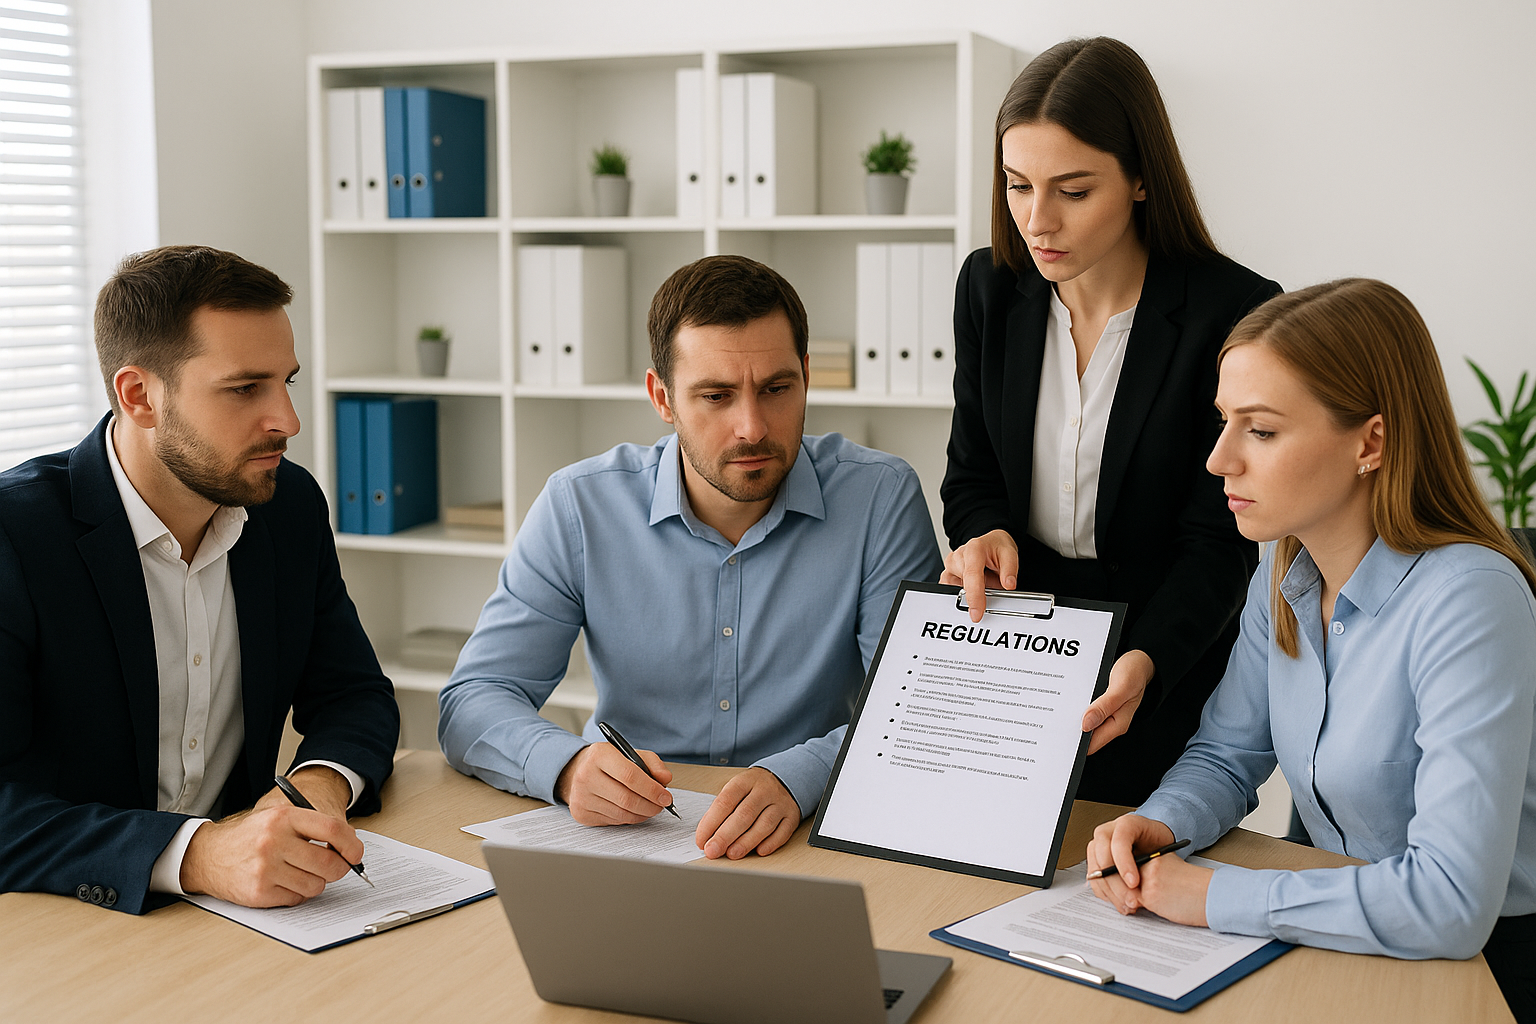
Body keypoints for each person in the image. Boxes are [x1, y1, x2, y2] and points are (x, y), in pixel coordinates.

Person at [1086, 279, 1536, 1023]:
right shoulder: (1283, 569)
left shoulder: (1470, 598)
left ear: (1372, 441)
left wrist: (1214, 896)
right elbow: (1228, 754)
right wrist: (1159, 824)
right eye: (1224, 422)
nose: (1218, 459)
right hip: (1332, 930)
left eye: (1259, 431)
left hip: (1486, 969)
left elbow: (1451, 900)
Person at [439, 255, 942, 859]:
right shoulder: (580, 505)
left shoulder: (879, 497)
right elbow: (474, 699)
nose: (752, 427)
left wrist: (800, 776)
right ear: (663, 397)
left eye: (777, 389)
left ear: (807, 376)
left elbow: (918, 712)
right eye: (716, 396)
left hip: (807, 834)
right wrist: (569, 766)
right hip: (634, 840)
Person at [0, 246, 399, 914]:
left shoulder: (288, 506)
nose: (288, 422)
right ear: (140, 396)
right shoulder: (15, 538)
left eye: (286, 382)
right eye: (245, 389)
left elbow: (354, 694)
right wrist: (200, 853)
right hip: (66, 929)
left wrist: (318, 786)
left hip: (249, 921)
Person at [940, 37, 1281, 805]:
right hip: (1019, 646)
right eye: (1017, 186)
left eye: (1073, 190)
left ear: (1138, 180)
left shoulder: (1231, 311)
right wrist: (984, 529)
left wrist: (1150, 656)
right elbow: (971, 474)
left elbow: (1219, 538)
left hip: (1166, 657)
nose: (1037, 220)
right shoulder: (989, 288)